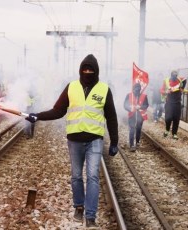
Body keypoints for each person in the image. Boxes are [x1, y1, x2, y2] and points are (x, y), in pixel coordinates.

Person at [25, 54, 119, 228]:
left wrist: (114, 141)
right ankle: (79, 207)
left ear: (96, 71)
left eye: (91, 69)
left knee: (92, 176)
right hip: (74, 140)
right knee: (76, 176)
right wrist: (37, 116)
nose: (87, 72)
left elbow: (111, 117)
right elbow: (58, 111)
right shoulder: (71, 87)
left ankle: (90, 216)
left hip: (95, 140)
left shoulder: (104, 89)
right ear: (80, 70)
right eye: (85, 69)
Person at [160, 70, 187, 140]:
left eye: (176, 75)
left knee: (176, 119)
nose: (174, 77)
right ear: (171, 75)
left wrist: (182, 88)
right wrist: (167, 91)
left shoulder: (179, 80)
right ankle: (167, 130)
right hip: (169, 103)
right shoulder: (167, 81)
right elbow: (161, 90)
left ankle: (174, 133)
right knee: (168, 118)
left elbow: (185, 79)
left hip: (177, 103)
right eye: (173, 76)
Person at [124, 83, 149, 152]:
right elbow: (125, 105)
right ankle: (131, 144)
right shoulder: (129, 95)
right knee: (132, 129)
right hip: (132, 115)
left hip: (140, 115)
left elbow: (146, 105)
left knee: (138, 129)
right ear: (133, 89)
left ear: (140, 90)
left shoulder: (144, 96)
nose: (137, 92)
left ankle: (137, 141)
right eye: (135, 90)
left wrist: (140, 107)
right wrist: (130, 108)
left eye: (138, 90)